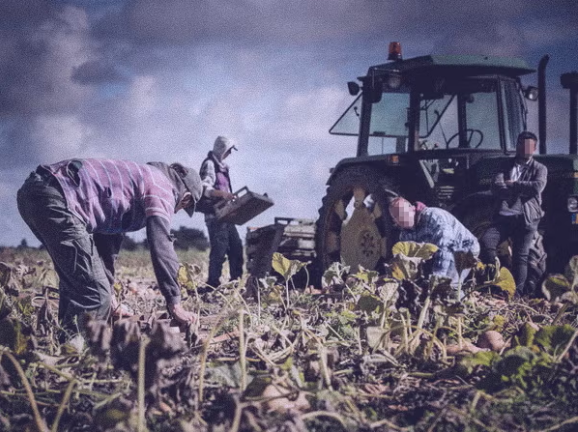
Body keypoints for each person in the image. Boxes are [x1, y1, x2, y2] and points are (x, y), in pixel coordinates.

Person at [17, 158, 203, 346]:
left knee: (79, 282)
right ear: (186, 198)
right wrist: (175, 304)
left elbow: (106, 243)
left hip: (34, 193)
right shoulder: (162, 186)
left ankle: (65, 345)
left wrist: (111, 297)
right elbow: (161, 243)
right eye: (182, 207)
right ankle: (75, 358)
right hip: (57, 196)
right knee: (93, 294)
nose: (176, 211)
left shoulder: (137, 179)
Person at [480, 131, 547, 296]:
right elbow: (496, 186)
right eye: (523, 145)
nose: (526, 149)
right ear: (517, 146)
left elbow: (537, 187)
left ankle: (516, 296)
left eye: (530, 146)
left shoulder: (540, 168)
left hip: (526, 219)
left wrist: (513, 184)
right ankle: (493, 286)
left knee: (520, 257)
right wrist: (516, 189)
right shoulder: (505, 165)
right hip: (504, 217)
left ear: (535, 148)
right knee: (486, 241)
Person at [389, 197, 480, 284]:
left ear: (412, 208)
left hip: (463, 248)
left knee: (449, 286)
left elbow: (446, 247)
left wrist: (438, 276)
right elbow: (407, 262)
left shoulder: (433, 216)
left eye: (403, 213)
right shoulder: (405, 235)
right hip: (438, 254)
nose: (402, 218)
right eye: (397, 217)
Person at [199, 136, 244, 290]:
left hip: (227, 214)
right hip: (215, 215)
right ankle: (212, 284)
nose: (230, 153)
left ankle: (235, 282)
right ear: (222, 149)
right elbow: (205, 188)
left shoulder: (223, 167)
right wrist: (223, 195)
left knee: (236, 247)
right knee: (219, 249)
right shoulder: (210, 165)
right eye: (229, 150)